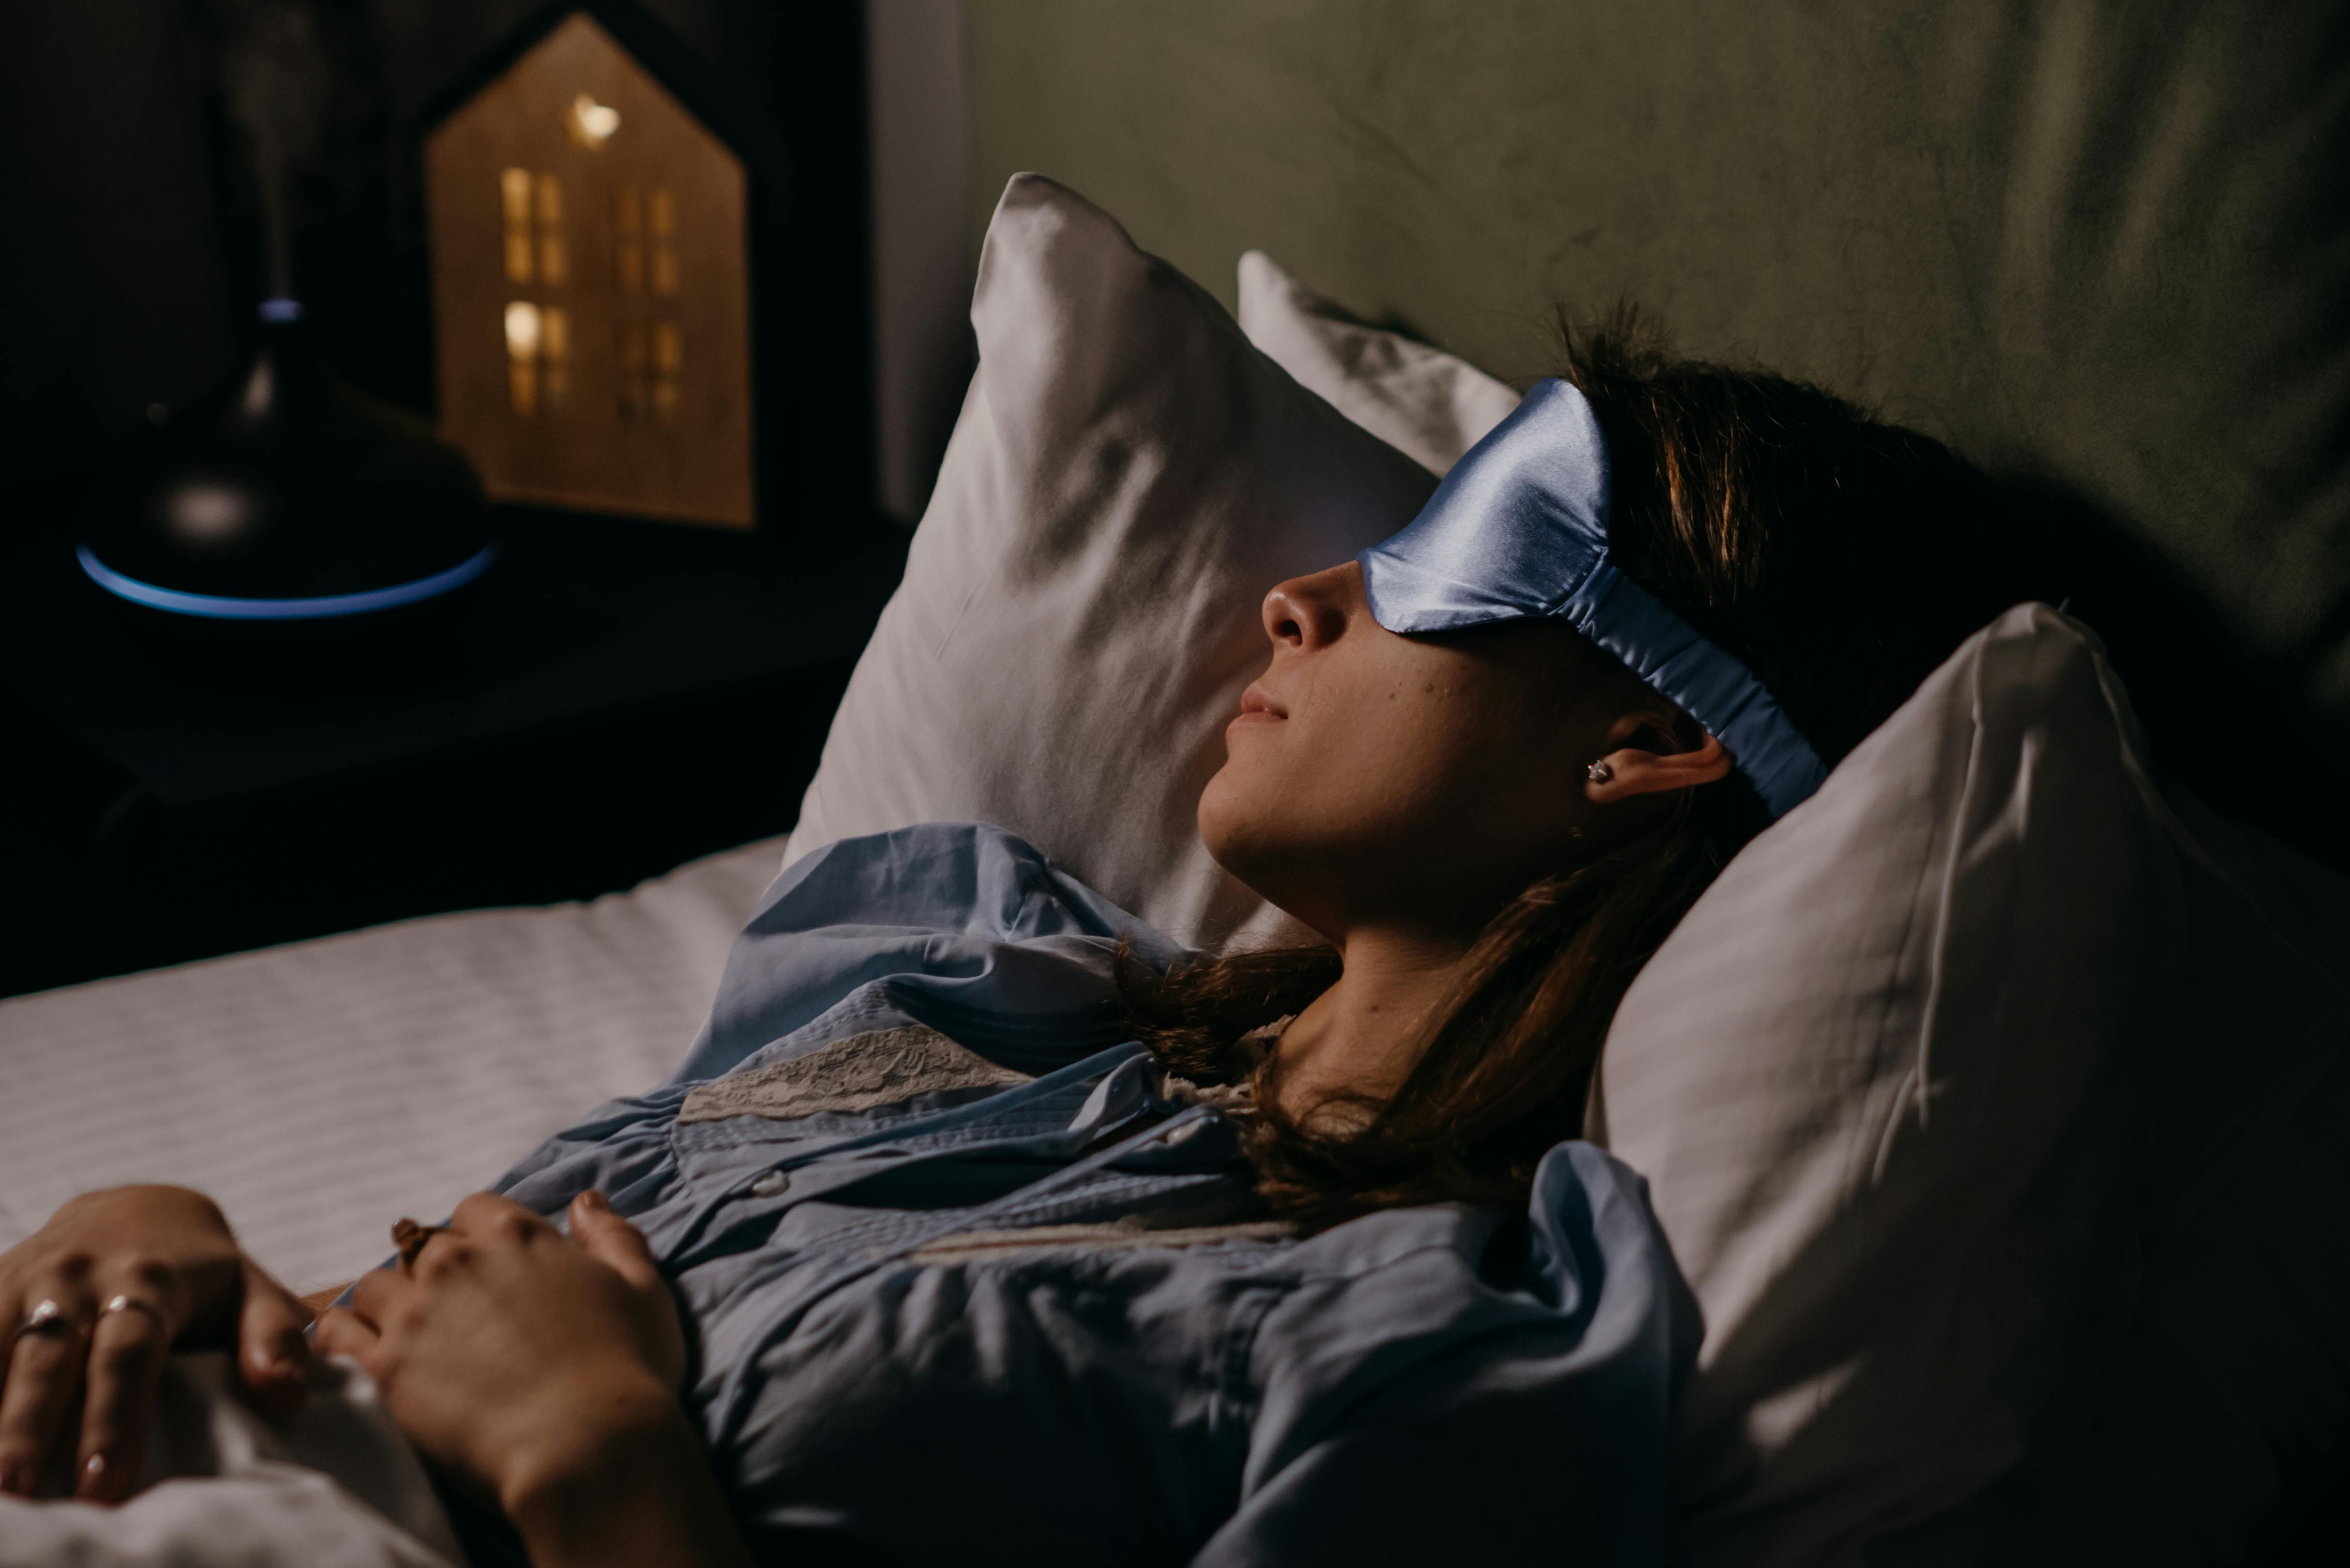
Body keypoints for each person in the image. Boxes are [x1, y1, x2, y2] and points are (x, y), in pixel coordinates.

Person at [0, 321, 2028, 1565]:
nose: (1300, 598)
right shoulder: (957, 970)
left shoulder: (1424, 1351)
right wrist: (177, 1255)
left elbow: (541, 1400)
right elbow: (451, 1314)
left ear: (1655, 737)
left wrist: (602, 1471)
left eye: (1447, 563)